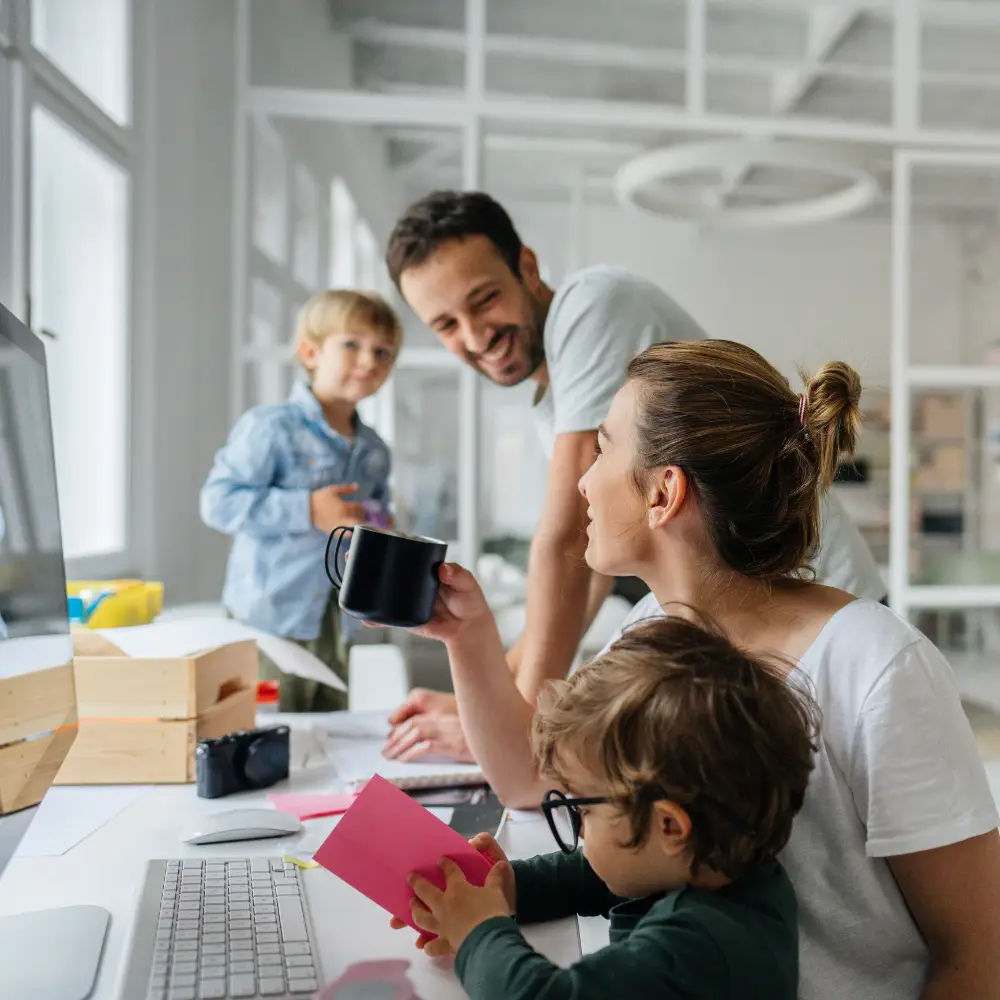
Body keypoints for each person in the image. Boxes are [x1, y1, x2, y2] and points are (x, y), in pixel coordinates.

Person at [387, 340, 1000, 1000]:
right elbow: (537, 782)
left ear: (663, 491)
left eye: (602, 449)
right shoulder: (649, 629)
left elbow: (978, 956)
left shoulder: (878, 666)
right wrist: (467, 637)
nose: (582, 482)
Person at [381, 189, 885, 763]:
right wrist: (490, 704)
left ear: (527, 266)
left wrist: (517, 730)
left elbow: (566, 538)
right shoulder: (554, 395)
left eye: (485, 300)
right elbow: (591, 560)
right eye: (446, 324)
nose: (475, 336)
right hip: (752, 621)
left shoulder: (590, 307)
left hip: (814, 606)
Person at [392, 616, 819, 1000]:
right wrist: (506, 888)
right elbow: (598, 875)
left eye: (585, 810)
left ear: (669, 826)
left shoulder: (700, 946)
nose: (579, 830)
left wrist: (478, 933)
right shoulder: (722, 864)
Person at [200, 290, 400, 711]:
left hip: (338, 619)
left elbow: (378, 518)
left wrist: (382, 534)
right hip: (269, 620)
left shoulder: (376, 450)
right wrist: (307, 509)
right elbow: (218, 501)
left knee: (329, 730)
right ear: (311, 353)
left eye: (383, 352)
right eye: (352, 344)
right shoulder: (270, 428)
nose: (369, 361)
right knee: (269, 729)